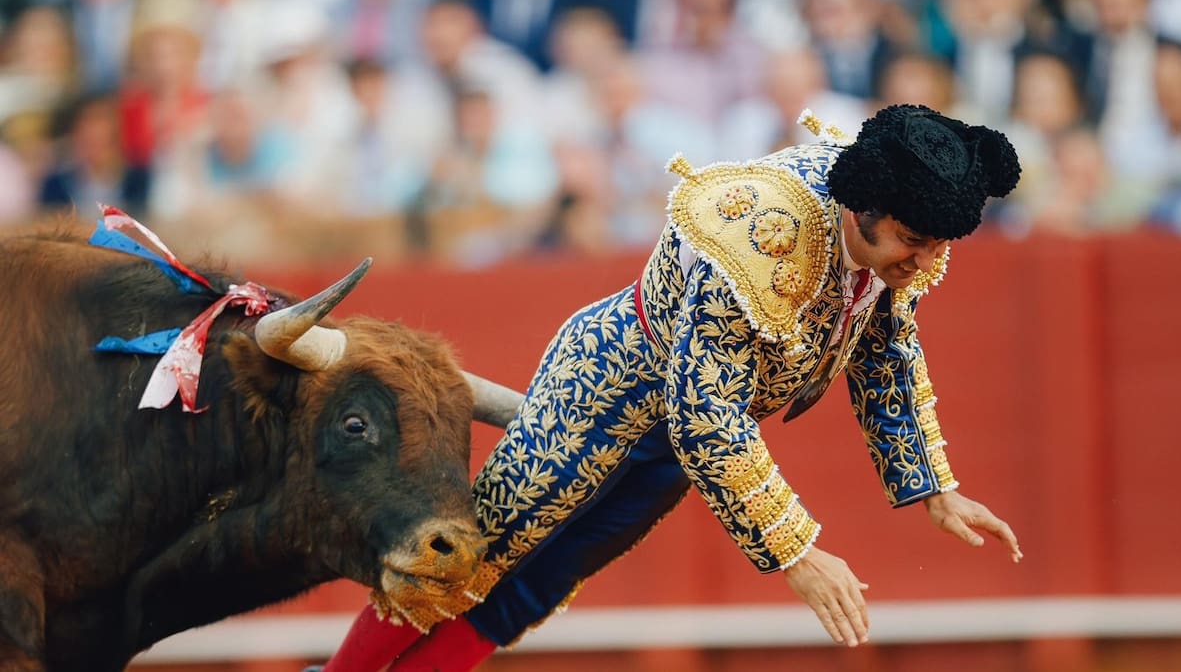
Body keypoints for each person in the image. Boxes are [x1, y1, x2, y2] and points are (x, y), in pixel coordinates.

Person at [313, 103, 1025, 672]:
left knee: (544, 579)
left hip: (682, 435)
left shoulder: (902, 233)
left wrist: (933, 484)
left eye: (937, 245)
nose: (925, 260)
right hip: (605, 391)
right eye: (911, 240)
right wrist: (798, 553)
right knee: (479, 552)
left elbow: (885, 345)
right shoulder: (758, 229)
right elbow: (706, 415)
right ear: (859, 207)